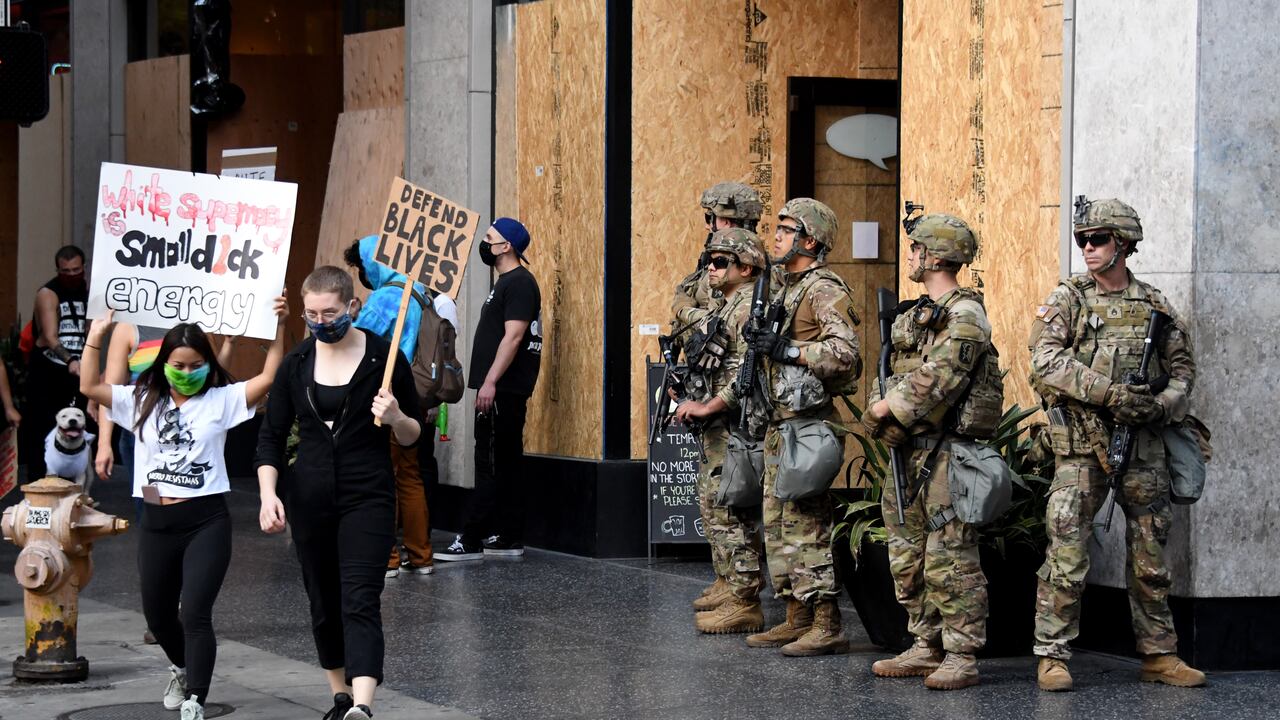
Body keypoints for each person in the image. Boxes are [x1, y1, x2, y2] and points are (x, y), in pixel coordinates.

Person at [80, 296, 288, 720]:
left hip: (205, 522)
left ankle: (196, 696)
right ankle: (180, 667)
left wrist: (280, 326)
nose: (188, 372)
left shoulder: (221, 400)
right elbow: (89, 388)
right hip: (156, 521)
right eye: (179, 365)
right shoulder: (141, 399)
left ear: (208, 365)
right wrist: (95, 339)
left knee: (194, 612)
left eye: (196, 365)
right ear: (164, 364)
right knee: (158, 616)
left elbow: (269, 376)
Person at [1028, 197, 1204, 691]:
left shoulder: (1154, 305)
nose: (1087, 247)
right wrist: (1109, 394)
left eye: (1098, 239)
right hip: (1083, 444)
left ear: (1123, 244)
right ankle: (1052, 654)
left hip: (1143, 446)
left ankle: (1160, 654)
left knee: (1150, 554)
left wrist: (1159, 406)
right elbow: (1044, 361)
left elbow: (1183, 371)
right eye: (1082, 239)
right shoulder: (1069, 299)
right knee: (1066, 551)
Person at [256, 266, 424, 720]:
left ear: (352, 306)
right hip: (309, 498)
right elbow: (271, 437)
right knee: (323, 600)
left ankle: (363, 706)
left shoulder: (384, 358)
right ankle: (341, 697)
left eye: (329, 312)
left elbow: (413, 436)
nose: (319, 321)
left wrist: (396, 418)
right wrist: (269, 494)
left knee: (360, 597)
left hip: (367, 494)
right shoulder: (297, 363)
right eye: (311, 314)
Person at [862, 213, 998, 690]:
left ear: (935, 256)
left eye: (916, 248)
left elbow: (941, 377)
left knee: (951, 558)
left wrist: (887, 411)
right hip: (908, 452)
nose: (911, 256)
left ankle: (961, 653)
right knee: (906, 555)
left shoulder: (966, 315)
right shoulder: (916, 314)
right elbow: (889, 370)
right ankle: (925, 643)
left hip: (948, 456)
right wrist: (882, 413)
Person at [741, 198, 861, 656]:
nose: (776, 236)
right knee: (778, 526)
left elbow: (846, 355)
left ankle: (827, 623)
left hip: (807, 427)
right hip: (780, 424)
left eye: (787, 229)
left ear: (810, 241)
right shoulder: (783, 287)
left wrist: (788, 350)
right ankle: (798, 616)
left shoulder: (823, 288)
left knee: (807, 526)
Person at [668, 182, 764, 610]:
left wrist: (690, 313)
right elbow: (689, 315)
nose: (710, 227)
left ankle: (742, 590)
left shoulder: (752, 272)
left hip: (735, 407)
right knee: (712, 495)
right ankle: (728, 578)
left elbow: (731, 337)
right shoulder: (714, 266)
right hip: (710, 389)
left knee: (729, 496)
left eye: (715, 218)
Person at [344, 236, 458, 578]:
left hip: (385, 397)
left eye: (363, 266)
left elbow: (356, 344)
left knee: (384, 477)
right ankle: (421, 555)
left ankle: (388, 558)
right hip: (412, 398)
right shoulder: (419, 292)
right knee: (410, 476)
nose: (364, 273)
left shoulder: (386, 297)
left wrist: (349, 319)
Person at [437, 218, 542, 561]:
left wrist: (491, 381)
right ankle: (509, 535)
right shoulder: (507, 283)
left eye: (489, 238)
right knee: (504, 461)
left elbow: (514, 337)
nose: (484, 243)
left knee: (490, 461)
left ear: (506, 246)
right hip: (499, 389)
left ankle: (472, 537)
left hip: (503, 390)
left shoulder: (520, 283)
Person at [22, 245, 89, 481]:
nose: (72, 275)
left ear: (83, 268)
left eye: (76, 270)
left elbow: (90, 333)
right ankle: (37, 483)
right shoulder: (48, 293)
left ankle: (71, 483)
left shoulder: (87, 292)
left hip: (77, 369)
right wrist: (70, 360)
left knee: (76, 426)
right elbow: (50, 337)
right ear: (58, 270)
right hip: (48, 370)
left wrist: (89, 364)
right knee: (42, 428)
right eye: (66, 271)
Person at [671, 182, 764, 329]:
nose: (707, 226)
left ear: (726, 222)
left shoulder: (742, 270)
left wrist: (682, 310)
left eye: (709, 218)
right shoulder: (735, 262)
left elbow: (721, 324)